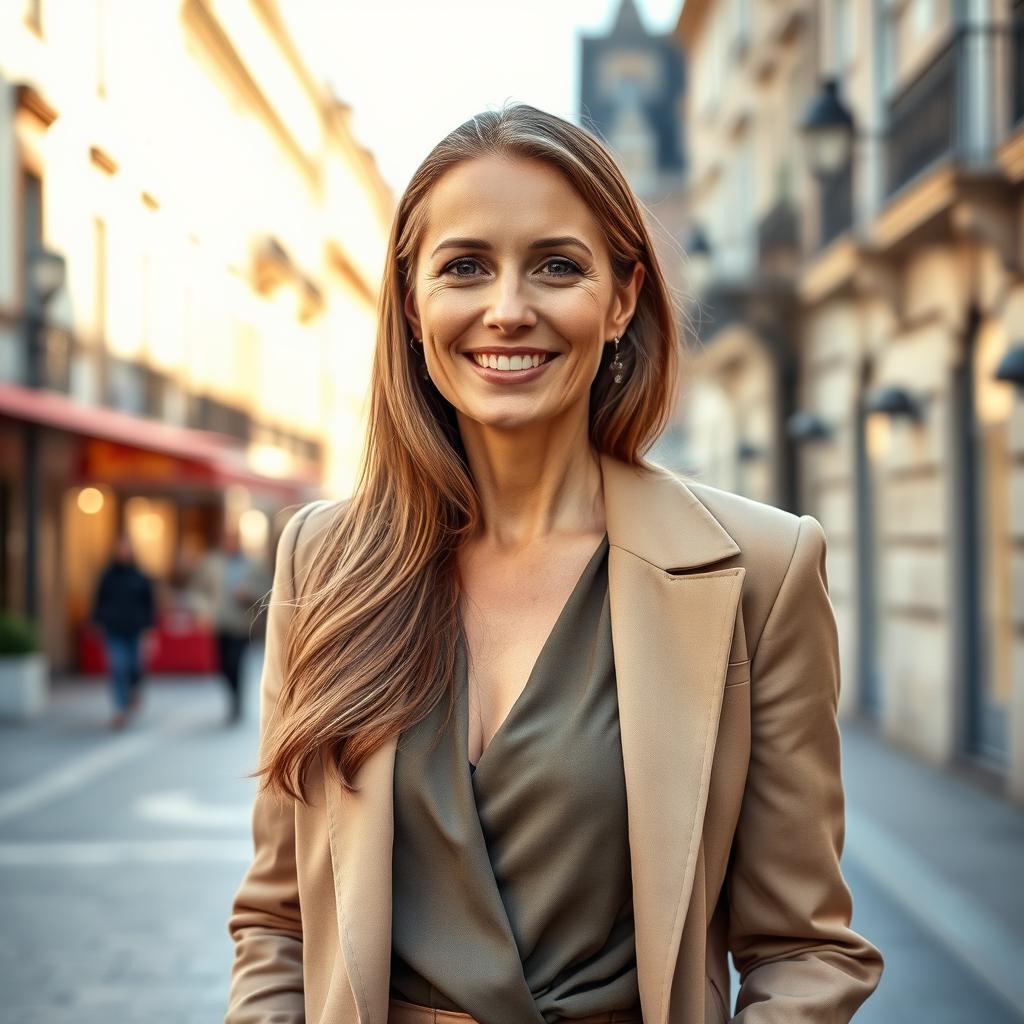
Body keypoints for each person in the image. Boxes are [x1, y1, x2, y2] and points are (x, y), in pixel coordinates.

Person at [225, 104, 883, 1024]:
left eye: (556, 266)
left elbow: (803, 948)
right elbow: (277, 921)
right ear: (412, 305)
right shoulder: (325, 563)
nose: (507, 308)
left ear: (620, 300)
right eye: (464, 267)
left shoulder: (760, 571)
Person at [190, 526, 272, 724]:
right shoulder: (211, 563)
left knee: (236, 663)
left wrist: (249, 592)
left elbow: (267, 591)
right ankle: (232, 695)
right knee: (222, 666)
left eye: (235, 539)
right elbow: (197, 591)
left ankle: (237, 702)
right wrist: (204, 611)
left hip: (242, 625)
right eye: (229, 539)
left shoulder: (253, 565)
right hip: (219, 623)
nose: (232, 543)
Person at [91, 531, 156, 729]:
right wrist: (98, 621)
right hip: (114, 629)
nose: (123, 552)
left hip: (136, 629)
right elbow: (99, 601)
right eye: (120, 548)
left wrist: (149, 630)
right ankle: (120, 708)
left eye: (126, 548)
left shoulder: (140, 576)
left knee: (134, 666)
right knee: (118, 667)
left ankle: (134, 691)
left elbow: (149, 604)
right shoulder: (107, 576)